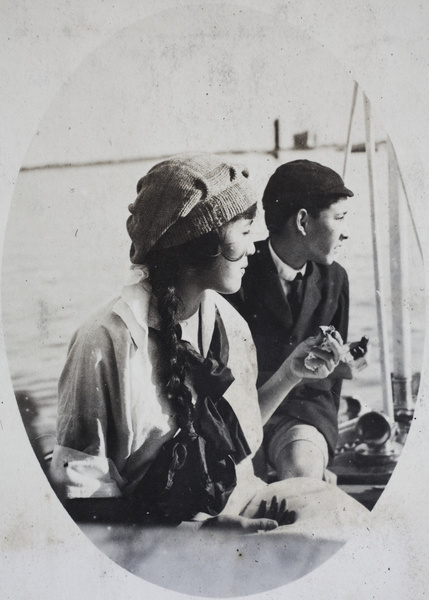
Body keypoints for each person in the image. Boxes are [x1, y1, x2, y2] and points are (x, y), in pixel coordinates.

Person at [49, 153, 343, 531]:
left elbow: (237, 435)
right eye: (244, 231)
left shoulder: (229, 325)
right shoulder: (105, 342)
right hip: (156, 538)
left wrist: (290, 373)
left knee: (344, 525)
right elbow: (84, 501)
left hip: (244, 503)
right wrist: (200, 530)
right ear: (202, 242)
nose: (254, 247)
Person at [228, 159, 368, 483]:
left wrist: (323, 447)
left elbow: (332, 393)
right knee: (242, 480)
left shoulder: (336, 279)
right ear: (303, 221)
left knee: (302, 467)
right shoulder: (236, 275)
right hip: (241, 413)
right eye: (340, 218)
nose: (346, 232)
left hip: (305, 414)